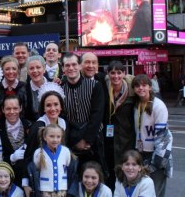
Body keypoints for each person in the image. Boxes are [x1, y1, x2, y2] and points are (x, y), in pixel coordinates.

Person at [61, 52, 106, 176]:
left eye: (74, 64)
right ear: (63, 68)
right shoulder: (60, 89)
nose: (71, 68)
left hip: (94, 141)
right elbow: (63, 118)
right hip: (71, 143)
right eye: (67, 65)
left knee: (96, 176)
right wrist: (75, 141)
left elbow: (97, 114)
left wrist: (87, 140)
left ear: (80, 66)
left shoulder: (95, 85)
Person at [23, 82, 69, 196]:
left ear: (61, 106)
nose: (52, 108)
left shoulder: (64, 123)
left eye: (56, 104)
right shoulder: (38, 127)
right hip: (42, 181)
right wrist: (25, 183)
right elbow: (28, 156)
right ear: (43, 108)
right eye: (48, 105)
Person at [131, 74, 173, 197]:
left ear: (150, 87)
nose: (141, 88)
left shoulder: (158, 105)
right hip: (140, 152)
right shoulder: (136, 105)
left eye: (144, 85)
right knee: (143, 190)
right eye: (137, 86)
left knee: (156, 190)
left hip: (156, 154)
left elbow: (163, 136)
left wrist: (157, 162)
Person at [103, 61, 135, 190]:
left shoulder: (132, 91)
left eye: (119, 72)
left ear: (124, 73)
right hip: (109, 138)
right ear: (108, 74)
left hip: (127, 138)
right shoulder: (104, 88)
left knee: (126, 172)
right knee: (110, 172)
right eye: (112, 73)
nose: (116, 76)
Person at [0, 95, 31, 187]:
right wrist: (11, 158)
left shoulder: (30, 126)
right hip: (6, 179)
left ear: (20, 108)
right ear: (3, 109)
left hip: (27, 178)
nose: (12, 112)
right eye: (8, 109)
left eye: (15, 108)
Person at [33, 124, 71, 196]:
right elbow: (36, 169)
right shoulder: (38, 152)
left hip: (61, 190)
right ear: (44, 137)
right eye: (51, 136)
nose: (55, 140)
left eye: (58, 137)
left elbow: (67, 166)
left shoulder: (66, 151)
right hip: (45, 190)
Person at [25, 55, 48, 122]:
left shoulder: (54, 86)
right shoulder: (23, 90)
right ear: (28, 72)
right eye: (31, 68)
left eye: (38, 67)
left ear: (44, 69)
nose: (35, 71)